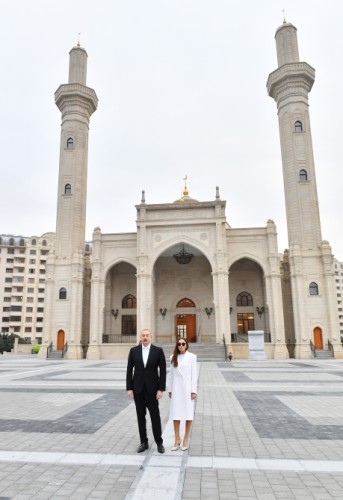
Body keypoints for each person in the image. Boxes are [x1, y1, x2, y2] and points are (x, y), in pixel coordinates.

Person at [126, 329, 166, 454]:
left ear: (151, 337)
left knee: (155, 416)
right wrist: (129, 388)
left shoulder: (158, 351)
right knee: (140, 416)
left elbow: (163, 371)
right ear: (140, 337)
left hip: (152, 390)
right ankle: (144, 442)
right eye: (143, 335)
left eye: (147, 335)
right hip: (138, 389)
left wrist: (161, 389)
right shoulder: (134, 351)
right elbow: (129, 370)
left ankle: (159, 442)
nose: (145, 337)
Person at [168, 339, 197, 451]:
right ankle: (176, 439)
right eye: (179, 344)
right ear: (177, 346)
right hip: (176, 389)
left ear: (186, 345)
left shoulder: (192, 357)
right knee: (176, 414)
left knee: (188, 414)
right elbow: (171, 375)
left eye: (183, 344)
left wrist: (194, 391)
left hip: (187, 389)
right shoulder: (172, 357)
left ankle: (185, 438)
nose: (181, 346)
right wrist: (170, 390)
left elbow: (194, 375)